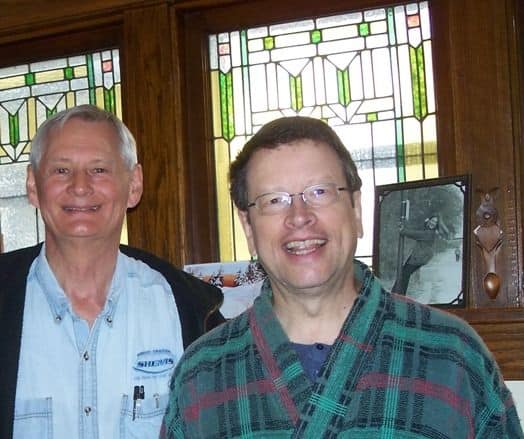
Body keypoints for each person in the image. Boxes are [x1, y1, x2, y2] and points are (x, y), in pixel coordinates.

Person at [161, 116, 522, 437]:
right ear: (248, 228)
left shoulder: (452, 354)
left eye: (319, 192)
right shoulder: (200, 374)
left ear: (356, 209)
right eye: (274, 200)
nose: (299, 216)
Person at [0, 105, 224, 438]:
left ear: (134, 185)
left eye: (99, 169)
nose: (80, 186)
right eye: (61, 170)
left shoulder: (191, 312)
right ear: (33, 185)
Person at [390, 214, 449, 295]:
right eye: (432, 220)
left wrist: (402, 231)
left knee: (404, 274)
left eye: (435, 222)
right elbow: (422, 230)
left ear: (437, 225)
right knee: (404, 273)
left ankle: (398, 294)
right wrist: (425, 223)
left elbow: (416, 234)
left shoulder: (430, 233)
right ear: (429, 220)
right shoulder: (428, 230)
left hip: (419, 257)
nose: (433, 223)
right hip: (419, 256)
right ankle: (397, 293)